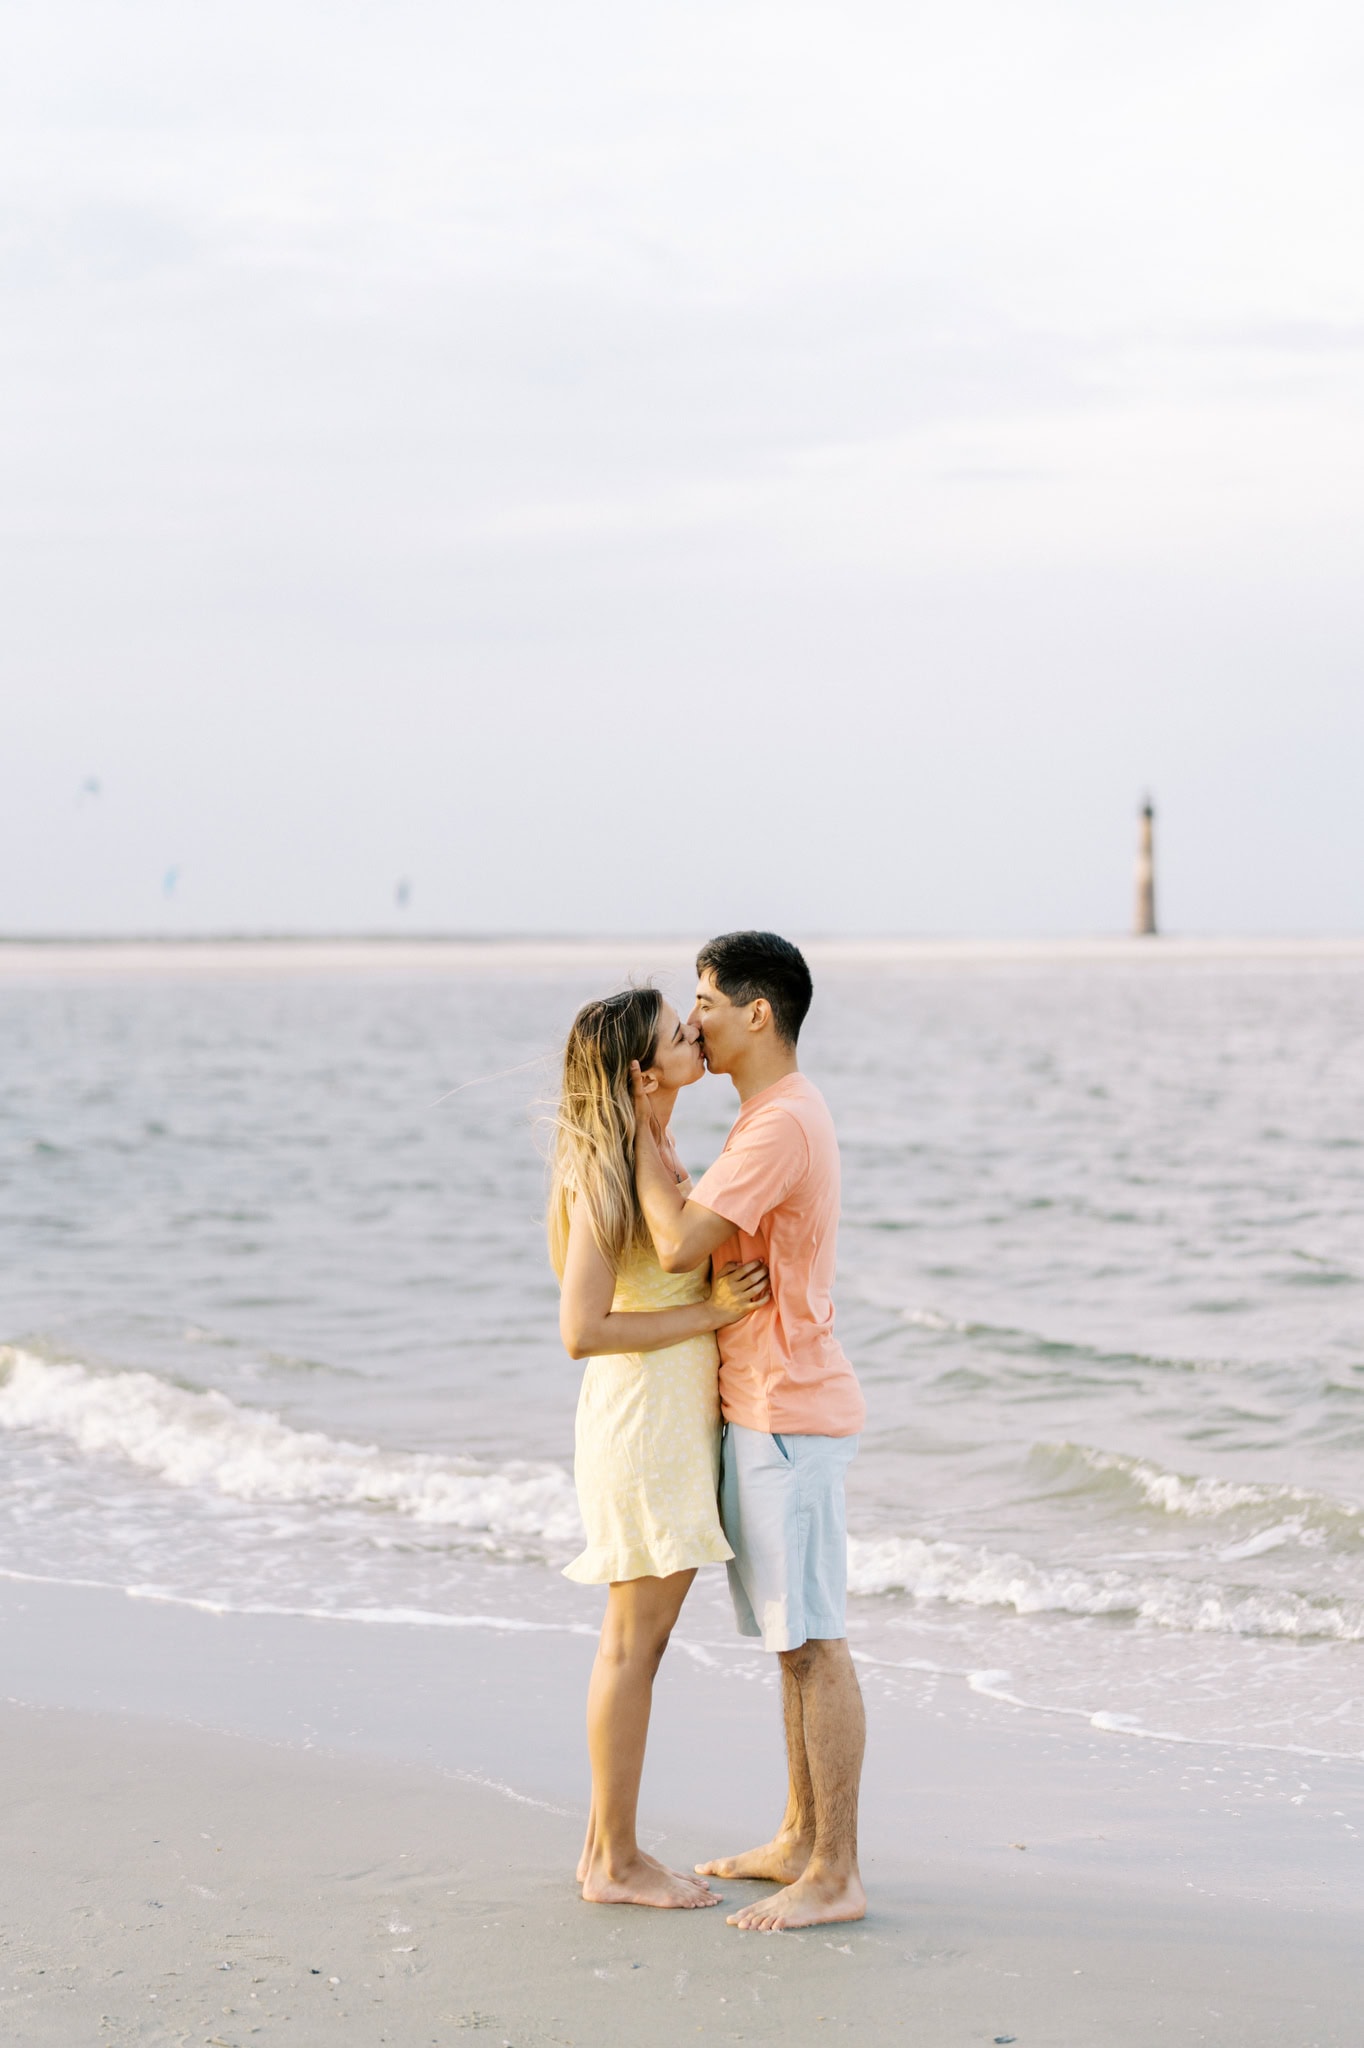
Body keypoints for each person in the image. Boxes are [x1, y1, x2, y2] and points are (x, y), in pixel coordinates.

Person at [630, 931, 867, 1932]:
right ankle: (796, 1838)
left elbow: (679, 1240)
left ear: (757, 1011)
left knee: (813, 1644)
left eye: (708, 1002)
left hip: (788, 1415)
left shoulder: (776, 1126)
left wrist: (642, 1120)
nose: (695, 1022)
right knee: (789, 1643)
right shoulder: (769, 1116)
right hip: (766, 1412)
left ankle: (837, 1871)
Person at [549, 985, 770, 1910]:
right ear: (644, 1074)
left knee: (636, 1644)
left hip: (665, 1427)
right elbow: (582, 1329)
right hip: (638, 1427)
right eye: (680, 1036)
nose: (696, 1036)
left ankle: (607, 1848)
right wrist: (708, 1312)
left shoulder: (651, 1149)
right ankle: (614, 1862)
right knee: (631, 1649)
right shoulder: (611, 1165)